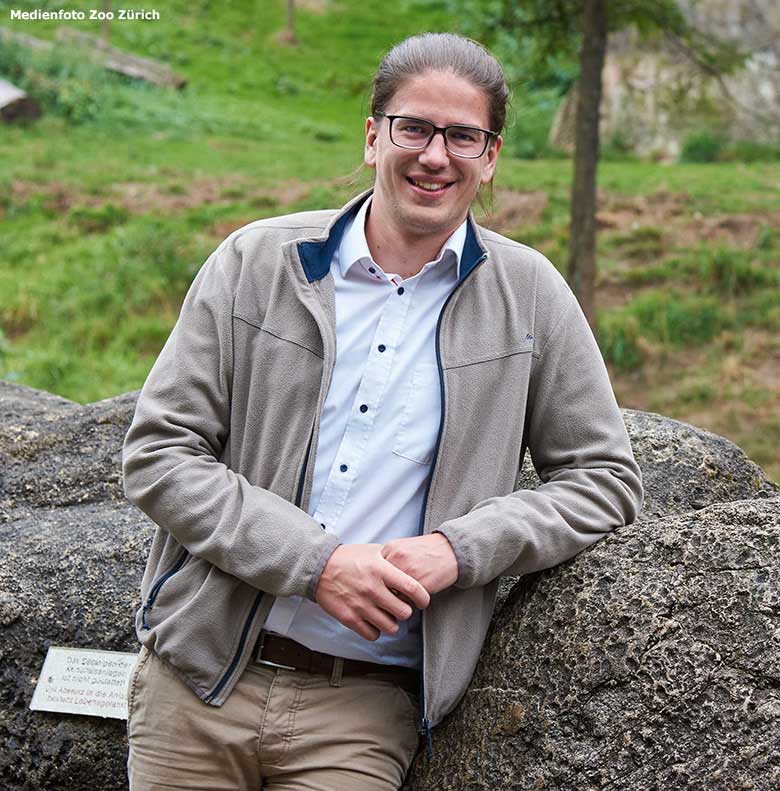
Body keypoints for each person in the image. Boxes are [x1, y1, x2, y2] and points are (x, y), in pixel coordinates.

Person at [122, 32, 643, 791]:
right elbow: (159, 454)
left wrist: (459, 549)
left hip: (362, 711)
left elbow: (604, 479)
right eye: (415, 128)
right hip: (197, 682)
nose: (436, 155)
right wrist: (318, 562)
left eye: (463, 135)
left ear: (490, 156)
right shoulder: (255, 263)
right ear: (374, 137)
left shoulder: (530, 295)